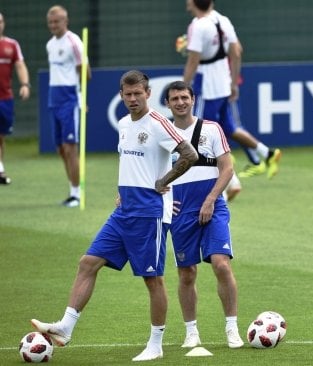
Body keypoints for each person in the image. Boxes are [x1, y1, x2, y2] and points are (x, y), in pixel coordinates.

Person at [31, 70, 199, 361]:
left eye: (138, 93)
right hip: (123, 211)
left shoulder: (159, 122)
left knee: (152, 279)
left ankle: (155, 345)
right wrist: (123, 189)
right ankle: (66, 327)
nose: (133, 99)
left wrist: (164, 181)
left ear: (148, 93)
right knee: (88, 263)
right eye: (128, 94)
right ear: (121, 94)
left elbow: (190, 154)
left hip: (149, 212)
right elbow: (130, 160)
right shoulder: (123, 123)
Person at [163, 81, 244, 349]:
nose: (180, 102)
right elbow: (151, 172)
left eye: (184, 97)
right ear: (168, 103)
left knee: (221, 263)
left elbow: (228, 169)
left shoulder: (211, 129)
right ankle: (191, 331)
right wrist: (164, 200)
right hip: (180, 210)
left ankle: (232, 328)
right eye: (174, 98)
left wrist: (211, 199)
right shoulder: (163, 133)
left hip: (213, 205)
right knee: (186, 273)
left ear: (193, 99)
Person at [182, 0, 281, 180]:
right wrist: (233, 82)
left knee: (199, 133)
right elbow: (236, 52)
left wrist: (183, 86)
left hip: (207, 86)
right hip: (223, 83)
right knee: (229, 127)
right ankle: (266, 153)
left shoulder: (198, 26)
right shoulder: (222, 20)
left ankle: (229, 182)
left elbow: (193, 60)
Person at [46, 5, 91, 207]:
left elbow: (86, 73)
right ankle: (72, 190)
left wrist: (80, 99)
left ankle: (77, 194)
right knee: (60, 149)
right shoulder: (50, 44)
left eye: (57, 21)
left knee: (70, 147)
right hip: (53, 99)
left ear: (66, 21)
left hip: (69, 99)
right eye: (51, 22)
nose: (54, 25)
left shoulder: (74, 42)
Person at [0, 12, 30, 185]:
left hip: (5, 98)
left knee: (1, 136)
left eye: (1, 21)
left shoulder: (11, 45)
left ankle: (0, 167)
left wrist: (25, 84)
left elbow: (20, 65)